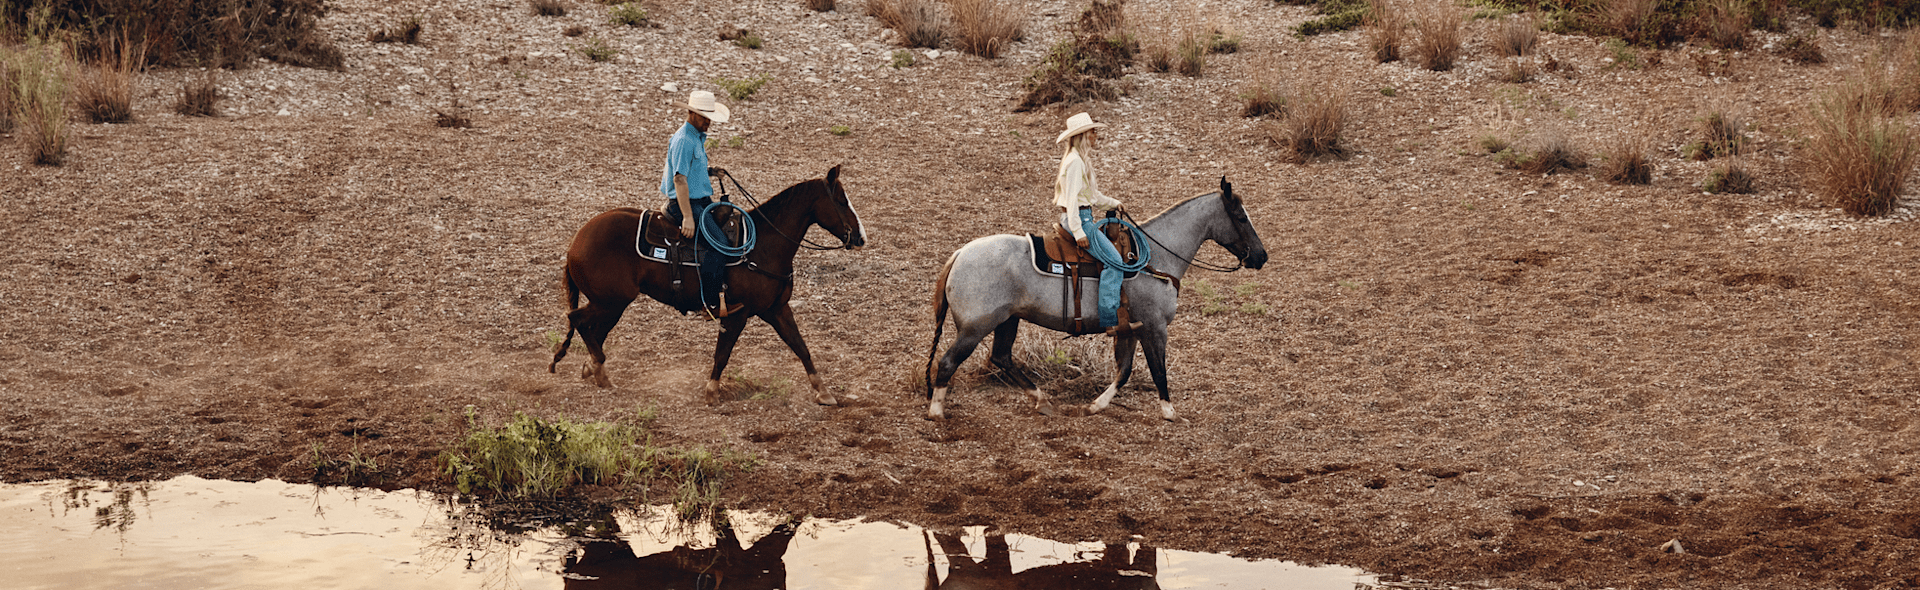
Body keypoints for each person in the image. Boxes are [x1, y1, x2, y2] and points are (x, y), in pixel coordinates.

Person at [660, 90, 742, 319]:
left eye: (709, 117)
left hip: (700, 200)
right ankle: (709, 303)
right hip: (687, 203)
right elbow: (679, 179)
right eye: (704, 117)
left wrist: (710, 172)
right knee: (720, 244)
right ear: (691, 114)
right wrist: (687, 216)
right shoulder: (684, 140)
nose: (708, 122)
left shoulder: (695, 137)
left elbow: (688, 170)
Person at [1053, 112, 1127, 329]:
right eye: (1093, 132)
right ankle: (1110, 321)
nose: (1096, 136)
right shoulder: (1075, 162)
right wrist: (1078, 231)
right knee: (1115, 263)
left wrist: (1114, 203)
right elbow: (1073, 200)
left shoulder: (1078, 159)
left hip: (1082, 216)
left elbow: (1092, 197)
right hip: (1079, 219)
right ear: (1083, 135)